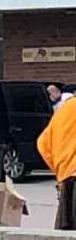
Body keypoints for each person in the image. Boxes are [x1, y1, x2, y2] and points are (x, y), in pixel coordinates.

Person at [38, 98, 76, 229]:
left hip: (67, 176)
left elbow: (43, 144)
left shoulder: (65, 109)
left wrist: (60, 169)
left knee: (64, 237)